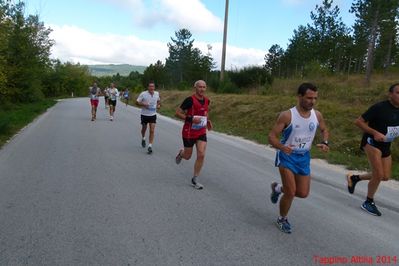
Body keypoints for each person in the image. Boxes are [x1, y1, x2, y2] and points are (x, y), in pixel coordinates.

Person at [268, 83, 329, 234]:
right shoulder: (287, 115)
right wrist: (282, 147)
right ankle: (282, 219)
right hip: (287, 156)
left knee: (302, 193)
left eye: (315, 98)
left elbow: (324, 129)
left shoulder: (317, 115)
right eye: (309, 98)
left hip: (304, 157)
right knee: (291, 192)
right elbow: (272, 137)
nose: (312, 101)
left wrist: (324, 142)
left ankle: (277, 189)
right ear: (300, 96)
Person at [346, 83, 399, 216]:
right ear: (390, 94)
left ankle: (355, 178)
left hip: (386, 144)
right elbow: (358, 122)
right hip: (371, 142)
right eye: (398, 93)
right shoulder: (379, 107)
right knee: (378, 174)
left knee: (385, 176)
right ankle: (368, 202)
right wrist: (374, 132)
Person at [175, 80, 212, 190]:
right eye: (200, 87)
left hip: (201, 132)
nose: (202, 89)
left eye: (204, 87)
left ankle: (195, 178)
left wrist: (208, 121)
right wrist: (191, 119)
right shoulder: (189, 100)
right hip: (189, 132)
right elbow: (177, 113)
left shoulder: (207, 100)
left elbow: (205, 112)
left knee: (201, 154)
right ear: (195, 88)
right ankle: (181, 154)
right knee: (188, 156)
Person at [136, 81, 161, 154]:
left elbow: (159, 101)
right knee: (144, 128)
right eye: (150, 86)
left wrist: (158, 105)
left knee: (152, 130)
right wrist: (143, 104)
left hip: (153, 115)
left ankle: (150, 146)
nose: (151, 88)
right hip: (144, 115)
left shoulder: (157, 93)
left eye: (152, 86)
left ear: (154, 87)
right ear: (148, 87)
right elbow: (136, 102)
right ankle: (143, 138)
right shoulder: (143, 94)